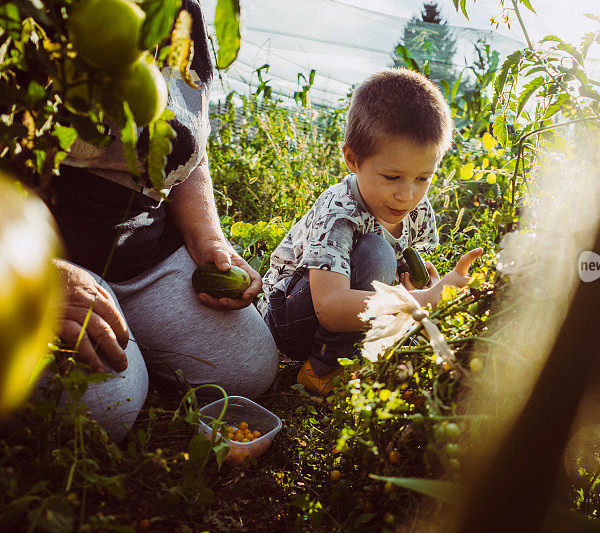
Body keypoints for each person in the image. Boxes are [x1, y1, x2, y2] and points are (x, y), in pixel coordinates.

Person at [44, 0, 278, 440]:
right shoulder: (32, 15)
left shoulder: (179, 15)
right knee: (103, 408)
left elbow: (185, 146)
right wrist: (40, 276)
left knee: (252, 367)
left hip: (140, 248)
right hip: (33, 246)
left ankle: (140, 342)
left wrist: (208, 236)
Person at [259, 68, 482, 396]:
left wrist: (426, 284)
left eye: (423, 178)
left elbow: (406, 271)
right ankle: (321, 369)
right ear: (352, 159)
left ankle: (350, 358)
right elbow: (331, 307)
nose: (407, 195)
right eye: (392, 177)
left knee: (384, 261)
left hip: (340, 309)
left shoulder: (416, 210)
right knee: (377, 251)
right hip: (288, 318)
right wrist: (419, 301)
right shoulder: (338, 212)